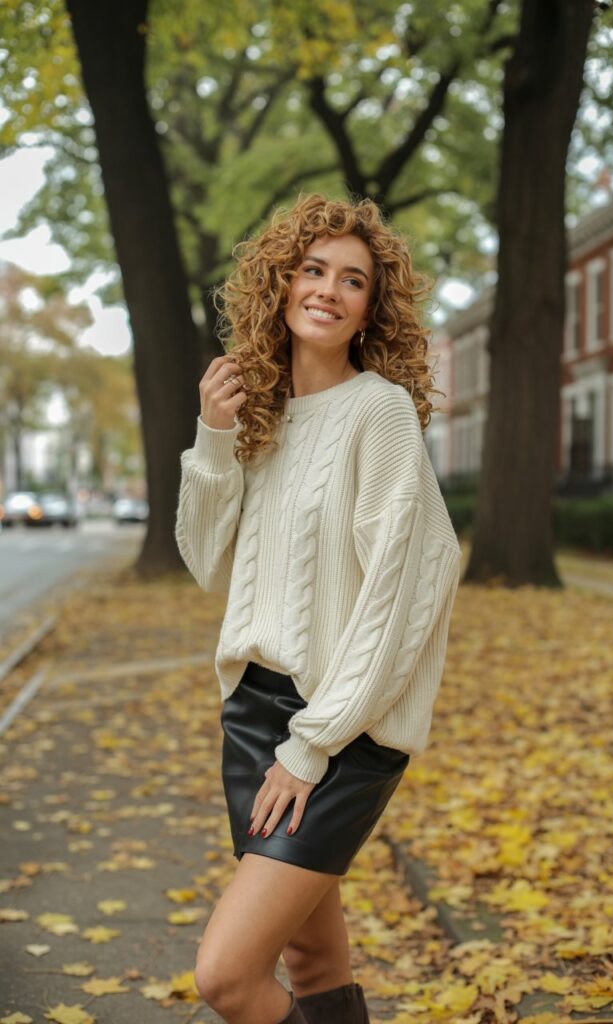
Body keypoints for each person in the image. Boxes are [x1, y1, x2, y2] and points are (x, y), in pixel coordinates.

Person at [175, 193, 462, 1024]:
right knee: (309, 953)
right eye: (312, 270)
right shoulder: (260, 419)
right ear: (281, 282)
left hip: (340, 728)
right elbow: (204, 563)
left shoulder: (380, 413)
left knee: (227, 978)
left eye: (353, 281)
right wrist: (214, 435)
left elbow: (403, 598)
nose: (327, 291)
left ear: (373, 307)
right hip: (252, 713)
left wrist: (312, 745)